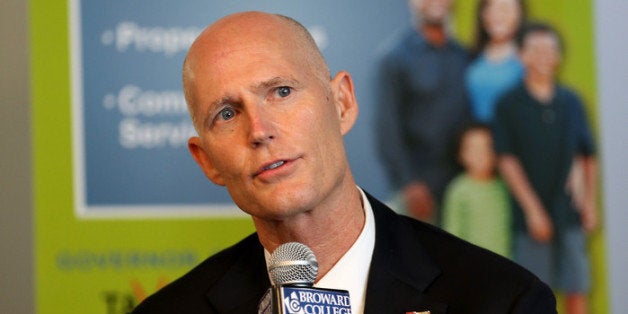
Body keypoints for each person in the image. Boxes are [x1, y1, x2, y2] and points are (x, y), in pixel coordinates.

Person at [132, 11, 556, 313]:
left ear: (342, 103)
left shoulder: (503, 300)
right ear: (207, 162)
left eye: (281, 92)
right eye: (226, 113)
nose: (259, 130)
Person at [493, 22, 598, 314]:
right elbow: (507, 159)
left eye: (550, 49)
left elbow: (587, 155)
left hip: (570, 212)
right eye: (535, 49)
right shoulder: (508, 104)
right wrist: (532, 210)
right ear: (522, 55)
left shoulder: (572, 102)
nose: (543, 56)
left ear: (558, 56)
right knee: (536, 292)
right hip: (529, 220)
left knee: (578, 286)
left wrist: (589, 204)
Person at [376, 0, 472, 223]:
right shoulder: (394, 58)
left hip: (461, 186)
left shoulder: (462, 55)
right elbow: (387, 129)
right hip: (419, 188)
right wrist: (409, 184)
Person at [442, 123, 511, 257]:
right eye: (473, 149)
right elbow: (452, 232)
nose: (481, 154)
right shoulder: (459, 189)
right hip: (474, 264)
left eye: (487, 147)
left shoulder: (505, 185)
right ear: (460, 154)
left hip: (507, 262)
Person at [465, 0, 526, 123]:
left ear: (520, 15)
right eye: (491, 8)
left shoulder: (526, 58)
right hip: (478, 137)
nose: (498, 15)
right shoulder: (471, 56)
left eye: (505, 9)